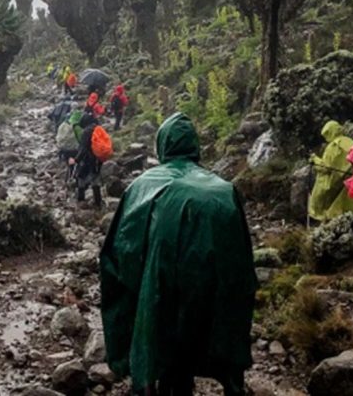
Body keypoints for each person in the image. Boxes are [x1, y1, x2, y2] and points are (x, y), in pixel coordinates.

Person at [100, 114, 256, 396]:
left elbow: (122, 250)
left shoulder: (142, 186)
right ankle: (230, 383)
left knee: (162, 337)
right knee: (210, 330)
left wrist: (133, 289)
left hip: (162, 287)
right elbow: (242, 262)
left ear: (163, 145)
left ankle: (153, 383)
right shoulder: (225, 190)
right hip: (214, 288)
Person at [308, 120, 353, 222]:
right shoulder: (350, 141)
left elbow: (326, 167)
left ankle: (320, 217)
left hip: (336, 181)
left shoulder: (333, 146)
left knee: (319, 193)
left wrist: (315, 160)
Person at [69, 104, 106, 207]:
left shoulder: (86, 132)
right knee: (95, 178)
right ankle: (98, 202)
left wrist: (76, 160)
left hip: (87, 159)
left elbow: (83, 148)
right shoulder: (98, 128)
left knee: (80, 177)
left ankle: (81, 200)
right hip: (98, 158)